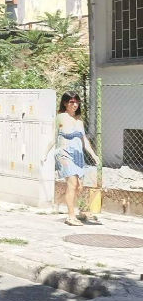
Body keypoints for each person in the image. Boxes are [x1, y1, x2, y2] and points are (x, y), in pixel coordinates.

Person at [52, 91, 100, 226]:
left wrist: (93, 155)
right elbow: (53, 137)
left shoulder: (79, 121)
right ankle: (70, 217)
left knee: (79, 186)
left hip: (78, 156)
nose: (74, 104)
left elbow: (84, 140)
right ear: (65, 103)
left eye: (76, 102)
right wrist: (46, 154)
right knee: (72, 184)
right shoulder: (60, 117)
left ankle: (78, 211)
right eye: (71, 102)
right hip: (64, 154)